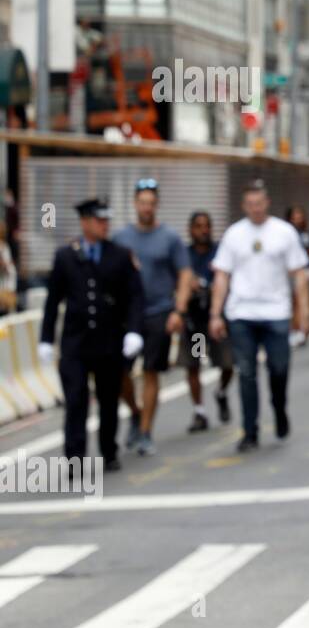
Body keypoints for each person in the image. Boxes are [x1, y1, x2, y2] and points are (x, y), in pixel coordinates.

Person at [38, 198, 143, 471]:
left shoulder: (120, 254)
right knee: (76, 401)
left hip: (108, 342)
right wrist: (46, 339)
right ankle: (75, 459)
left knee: (109, 399)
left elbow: (133, 297)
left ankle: (109, 451)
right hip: (75, 343)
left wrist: (133, 331)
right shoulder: (65, 256)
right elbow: (53, 301)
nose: (104, 225)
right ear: (85, 222)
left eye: (107, 220)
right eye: (99, 220)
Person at [208, 181, 309, 451]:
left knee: (278, 369)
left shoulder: (284, 232)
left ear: (267, 203)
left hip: (276, 312)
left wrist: (305, 313)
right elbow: (222, 276)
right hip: (241, 313)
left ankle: (279, 409)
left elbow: (299, 274)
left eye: (259, 203)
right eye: (250, 204)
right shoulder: (234, 235)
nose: (255, 209)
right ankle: (250, 431)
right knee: (247, 374)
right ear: (244, 206)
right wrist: (215, 314)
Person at [113, 179, 192, 456]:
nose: (146, 207)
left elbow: (184, 274)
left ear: (156, 205)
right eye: (142, 202)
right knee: (119, 372)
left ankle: (146, 431)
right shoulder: (121, 239)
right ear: (135, 204)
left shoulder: (170, 238)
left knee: (150, 371)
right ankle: (134, 412)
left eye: (151, 203)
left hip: (159, 312)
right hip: (126, 316)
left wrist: (178, 310)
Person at [180, 211, 234, 431]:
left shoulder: (220, 252)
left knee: (228, 363)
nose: (203, 230)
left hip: (217, 318)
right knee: (194, 364)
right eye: (198, 226)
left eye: (206, 226)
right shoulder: (184, 255)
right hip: (195, 322)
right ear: (191, 230)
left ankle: (221, 391)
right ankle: (199, 411)